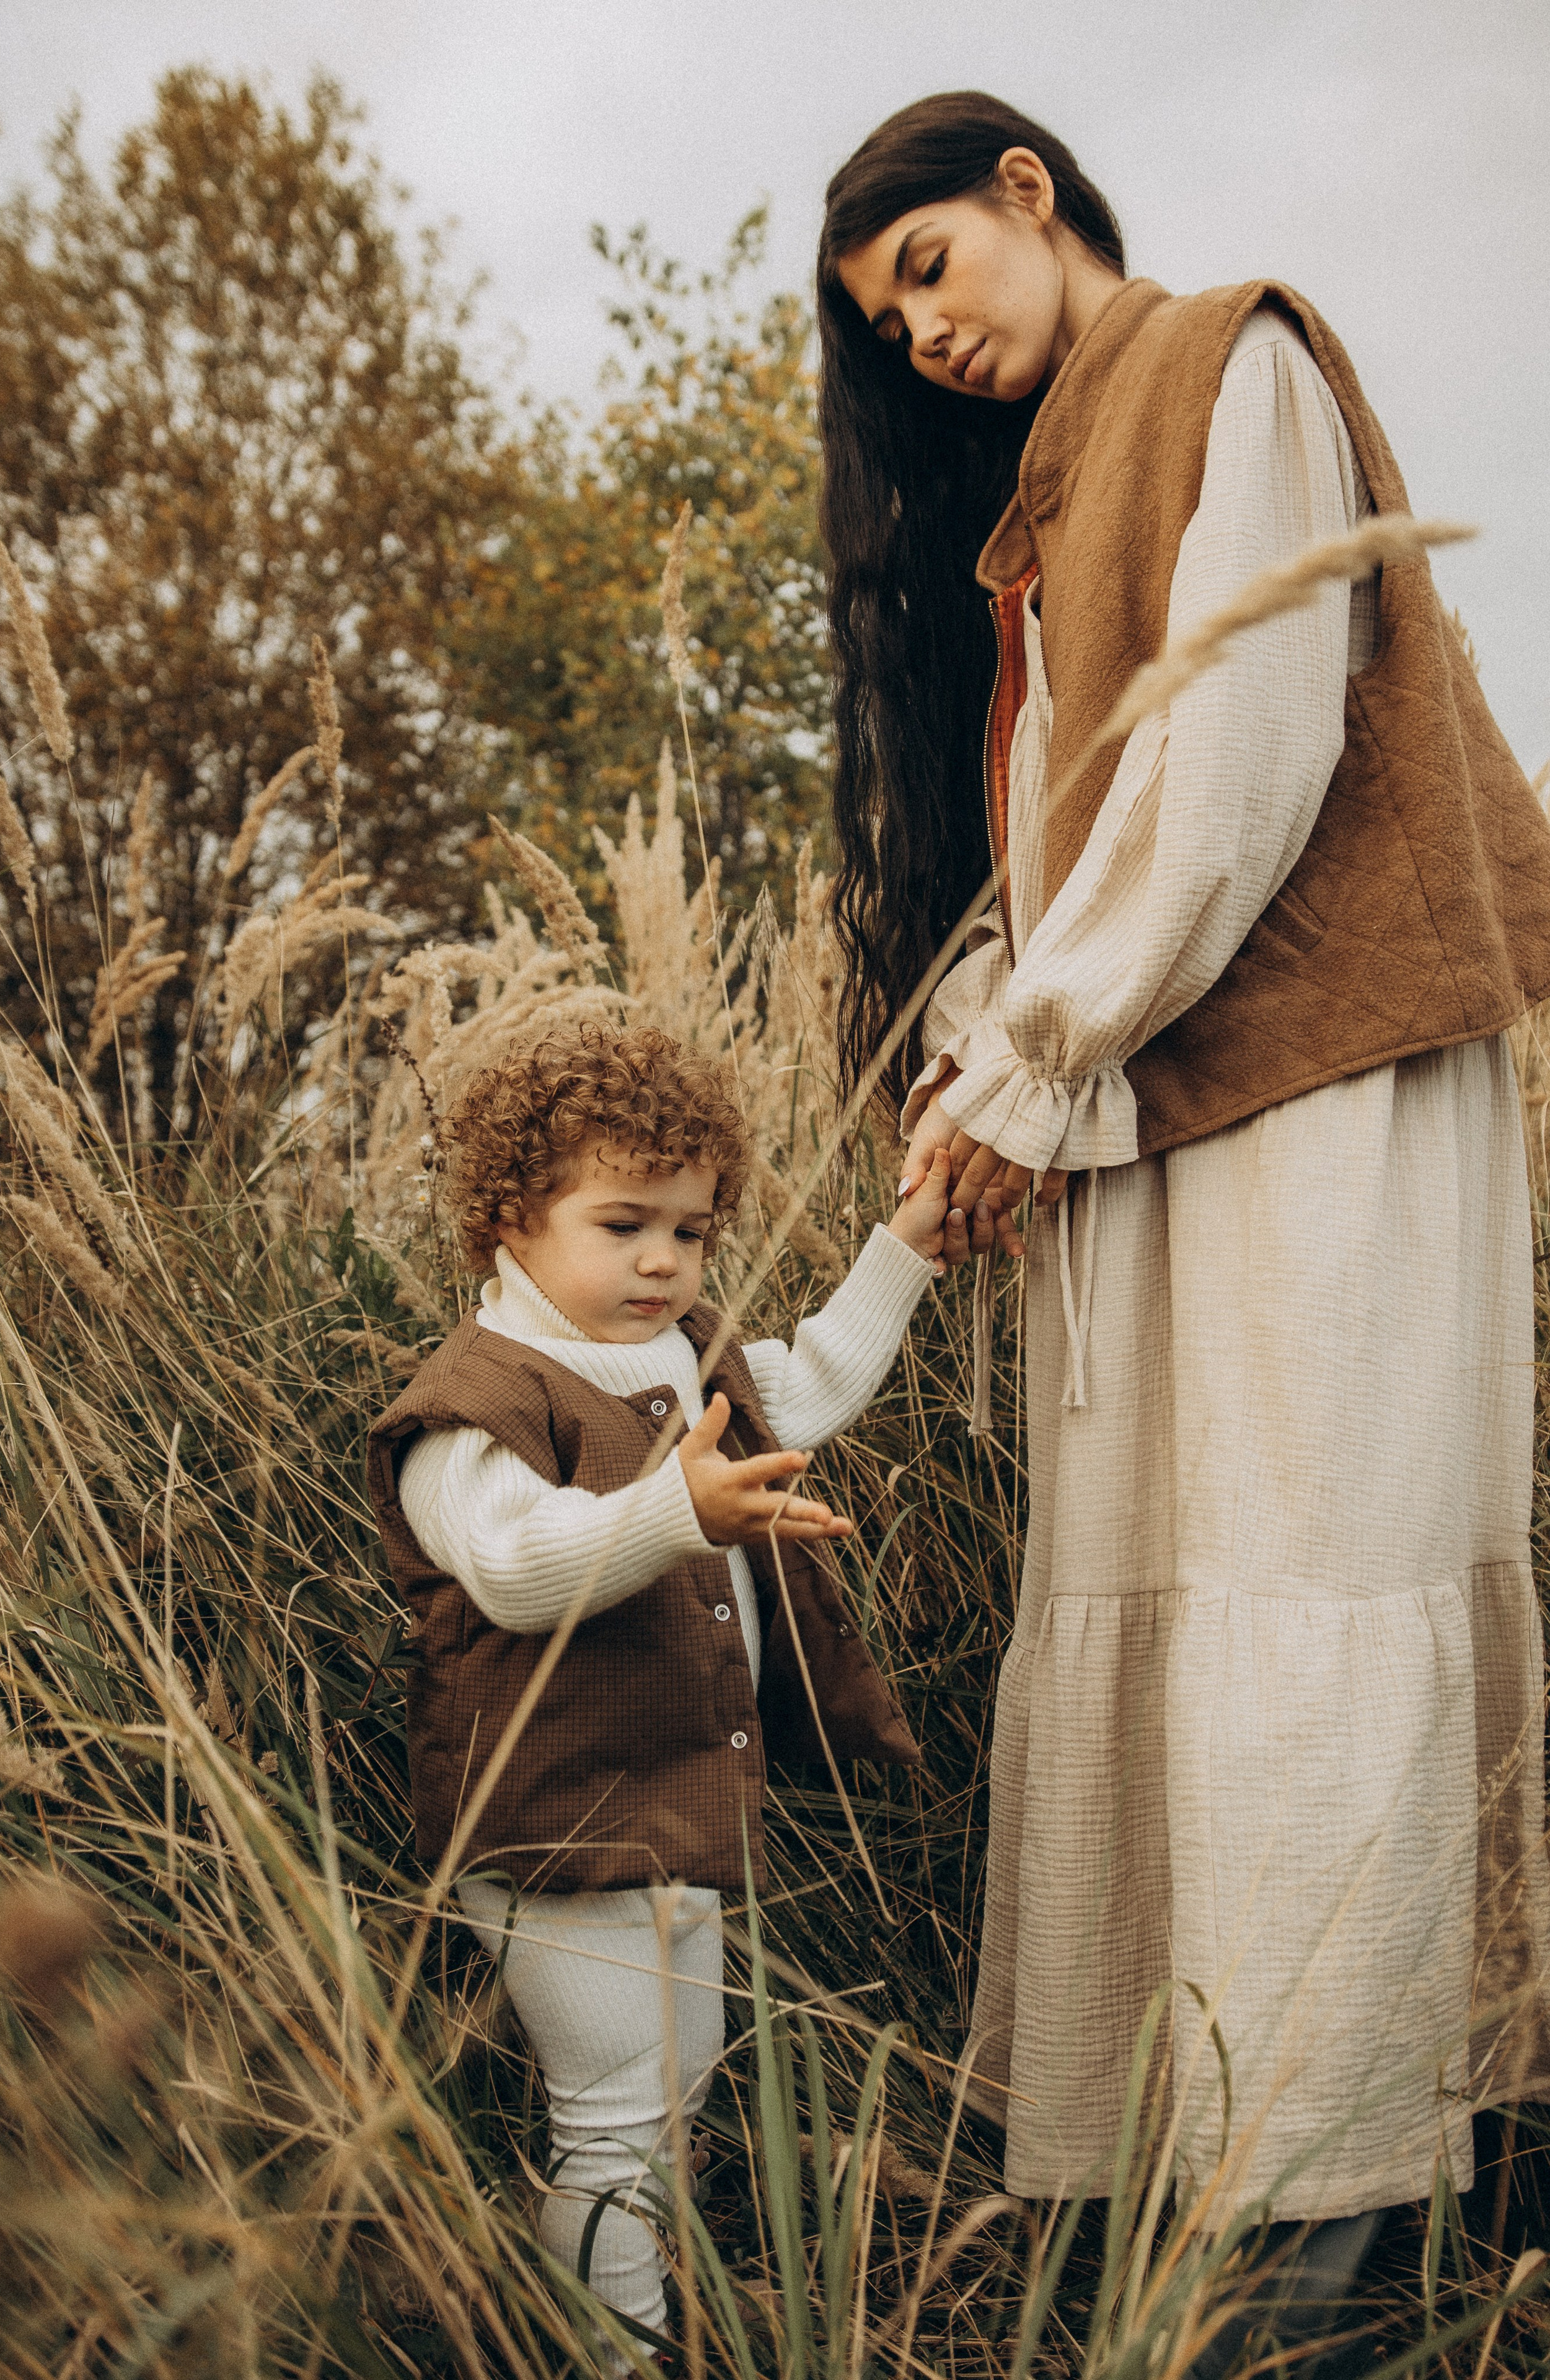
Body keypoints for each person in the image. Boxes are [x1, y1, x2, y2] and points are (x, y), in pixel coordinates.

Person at [817, 87, 1550, 2363]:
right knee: (1190, 1613)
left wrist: (1039, 1060)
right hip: (1158, 1105)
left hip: (1310, 1097)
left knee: (1302, 1603)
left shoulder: (1228, 355)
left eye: (929, 265)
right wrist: (991, 1057)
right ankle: (1192, 2221)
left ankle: (1315, 2258)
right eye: (882, 319)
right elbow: (1078, 843)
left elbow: (1241, 759)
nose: (921, 332)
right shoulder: (1041, 494)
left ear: (1029, 192)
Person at [366, 1020, 971, 2353]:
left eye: (692, 1232)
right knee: (614, 2120)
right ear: (507, 1219)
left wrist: (906, 1249)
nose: (663, 1261)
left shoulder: (673, 1351)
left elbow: (799, 1387)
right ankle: (612, 2349)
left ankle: (625, 2308)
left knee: (669, 2094)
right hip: (554, 1817)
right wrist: (677, 1512)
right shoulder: (472, 1406)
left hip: (674, 1798)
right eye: (622, 1224)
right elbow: (516, 1573)